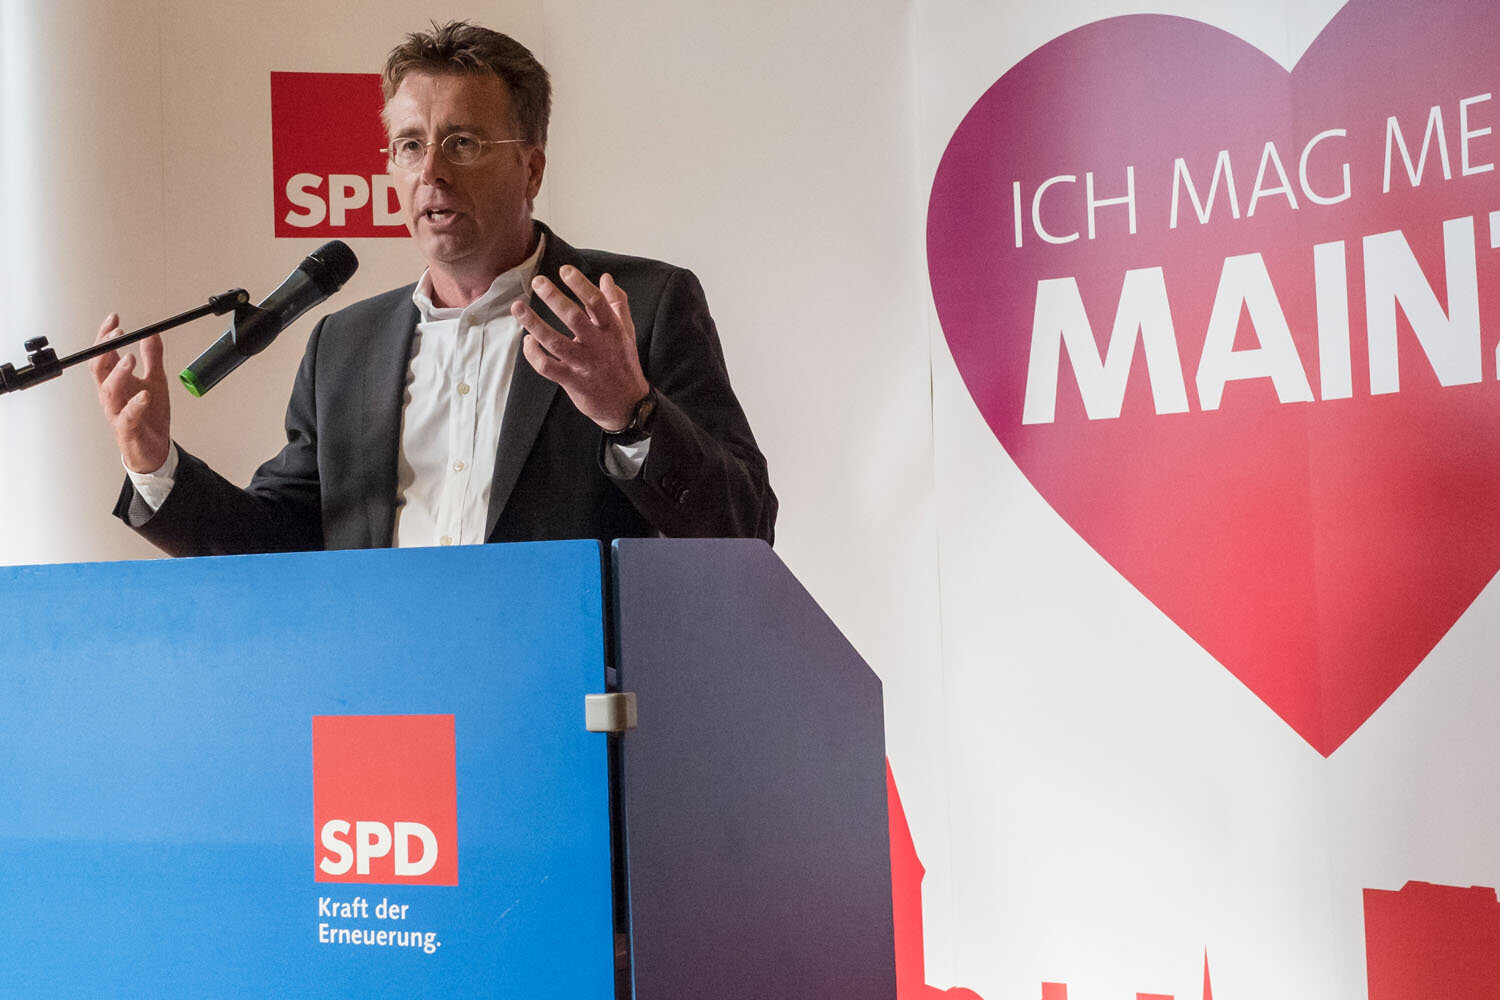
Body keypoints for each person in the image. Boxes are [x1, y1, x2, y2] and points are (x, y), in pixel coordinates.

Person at [91, 20, 775, 556]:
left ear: (532, 170)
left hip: (567, 684)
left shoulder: (635, 308)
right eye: (411, 145)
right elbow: (282, 543)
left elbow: (745, 527)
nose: (431, 171)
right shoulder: (345, 345)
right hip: (389, 685)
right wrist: (157, 466)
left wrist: (631, 412)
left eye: (464, 143)